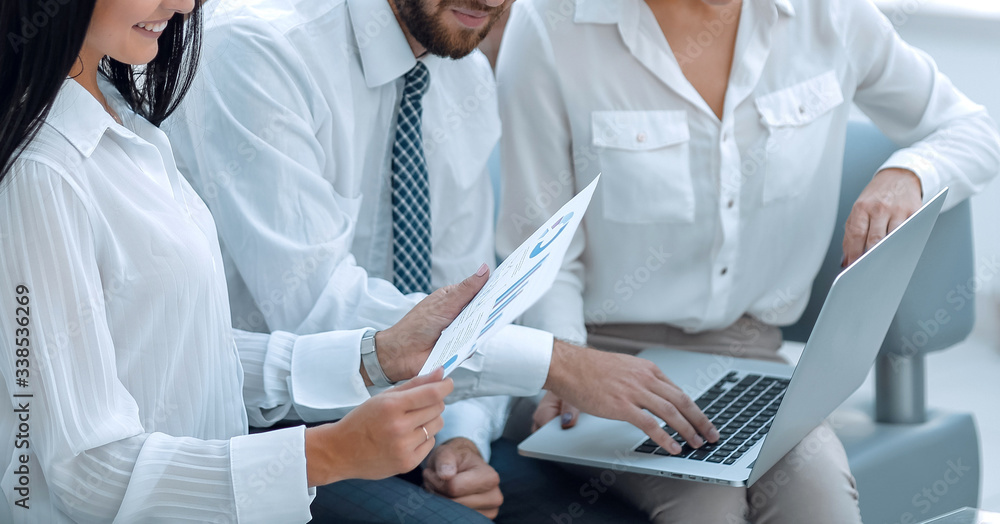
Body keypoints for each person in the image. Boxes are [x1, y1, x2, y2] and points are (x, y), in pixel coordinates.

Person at [163, 0, 716, 521]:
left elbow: (469, 295)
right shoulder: (260, 47)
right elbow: (316, 308)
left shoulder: (461, 72)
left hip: (409, 425)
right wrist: (557, 362)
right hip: (269, 430)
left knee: (614, 515)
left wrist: (459, 442)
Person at [0, 0, 512, 521]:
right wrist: (327, 454)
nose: (183, 4)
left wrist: (376, 355)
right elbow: (84, 472)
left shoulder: (122, 116)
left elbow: (186, 354)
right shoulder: (43, 171)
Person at [496, 0, 1000, 522]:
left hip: (750, 358)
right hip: (602, 357)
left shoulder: (831, 15)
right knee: (706, 507)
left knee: (819, 503)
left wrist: (910, 173)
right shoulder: (551, 23)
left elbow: (974, 131)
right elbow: (537, 250)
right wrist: (568, 366)